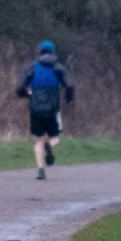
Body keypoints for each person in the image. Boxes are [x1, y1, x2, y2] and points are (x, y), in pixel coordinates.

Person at [16, 40, 74, 180]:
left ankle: (40, 169)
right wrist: (68, 99)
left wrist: (27, 95)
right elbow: (70, 85)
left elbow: (19, 88)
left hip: (35, 108)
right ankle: (50, 144)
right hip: (53, 109)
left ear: (40, 51)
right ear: (53, 52)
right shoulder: (58, 68)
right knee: (55, 137)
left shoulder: (32, 67)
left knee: (38, 141)